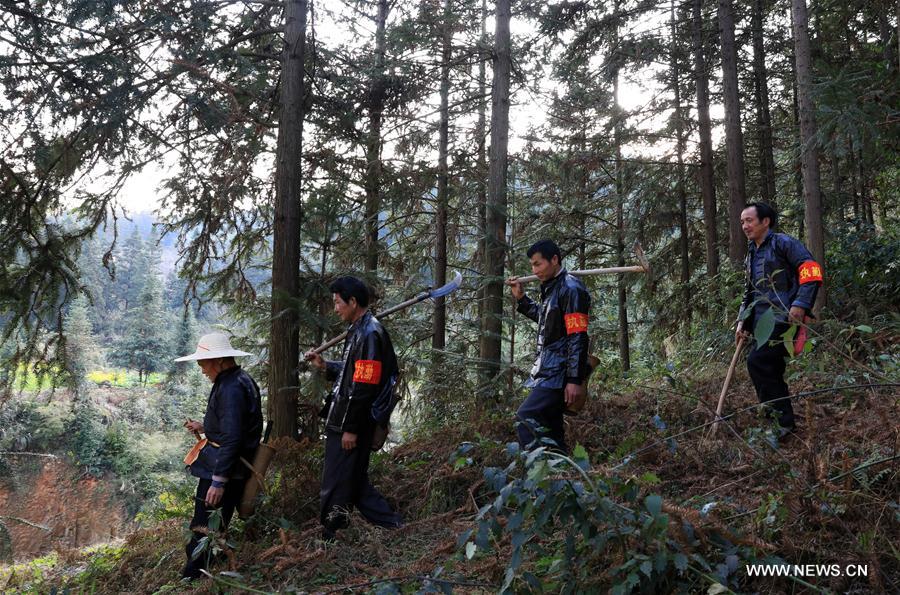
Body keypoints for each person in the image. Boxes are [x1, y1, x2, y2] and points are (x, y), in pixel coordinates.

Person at [304, 276, 402, 540]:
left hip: (351, 422)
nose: (335, 309)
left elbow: (364, 387)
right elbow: (352, 373)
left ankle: (330, 533)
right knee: (354, 480)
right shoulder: (358, 330)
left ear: (353, 301)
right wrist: (326, 366)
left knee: (336, 479)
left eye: (338, 303)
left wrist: (351, 429)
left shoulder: (370, 334)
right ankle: (392, 525)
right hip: (344, 417)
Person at [174, 332, 263, 580]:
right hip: (231, 466)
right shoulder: (238, 380)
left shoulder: (231, 387)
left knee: (202, 525)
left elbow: (233, 437)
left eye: (203, 363)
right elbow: (233, 425)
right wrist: (205, 427)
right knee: (217, 522)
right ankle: (211, 563)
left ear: (219, 361)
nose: (202, 369)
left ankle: (192, 576)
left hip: (226, 468)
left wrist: (218, 481)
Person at [736, 202, 823, 439]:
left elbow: (811, 269)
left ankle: (780, 423)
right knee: (770, 368)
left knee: (758, 362)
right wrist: (742, 321)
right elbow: (750, 290)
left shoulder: (784, 243)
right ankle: (782, 421)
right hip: (760, 321)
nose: (745, 226)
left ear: (766, 221)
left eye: (749, 220)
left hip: (783, 316)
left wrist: (800, 304)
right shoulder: (751, 253)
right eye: (742, 221)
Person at [506, 239, 592, 453]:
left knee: (526, 416)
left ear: (554, 259)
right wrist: (522, 299)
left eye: (538, 264)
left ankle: (537, 472)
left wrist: (574, 379)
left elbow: (578, 336)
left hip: (559, 373)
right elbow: (548, 321)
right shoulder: (552, 287)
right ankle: (560, 478)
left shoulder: (572, 289)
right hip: (547, 370)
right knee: (552, 430)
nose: (534, 271)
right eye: (532, 266)